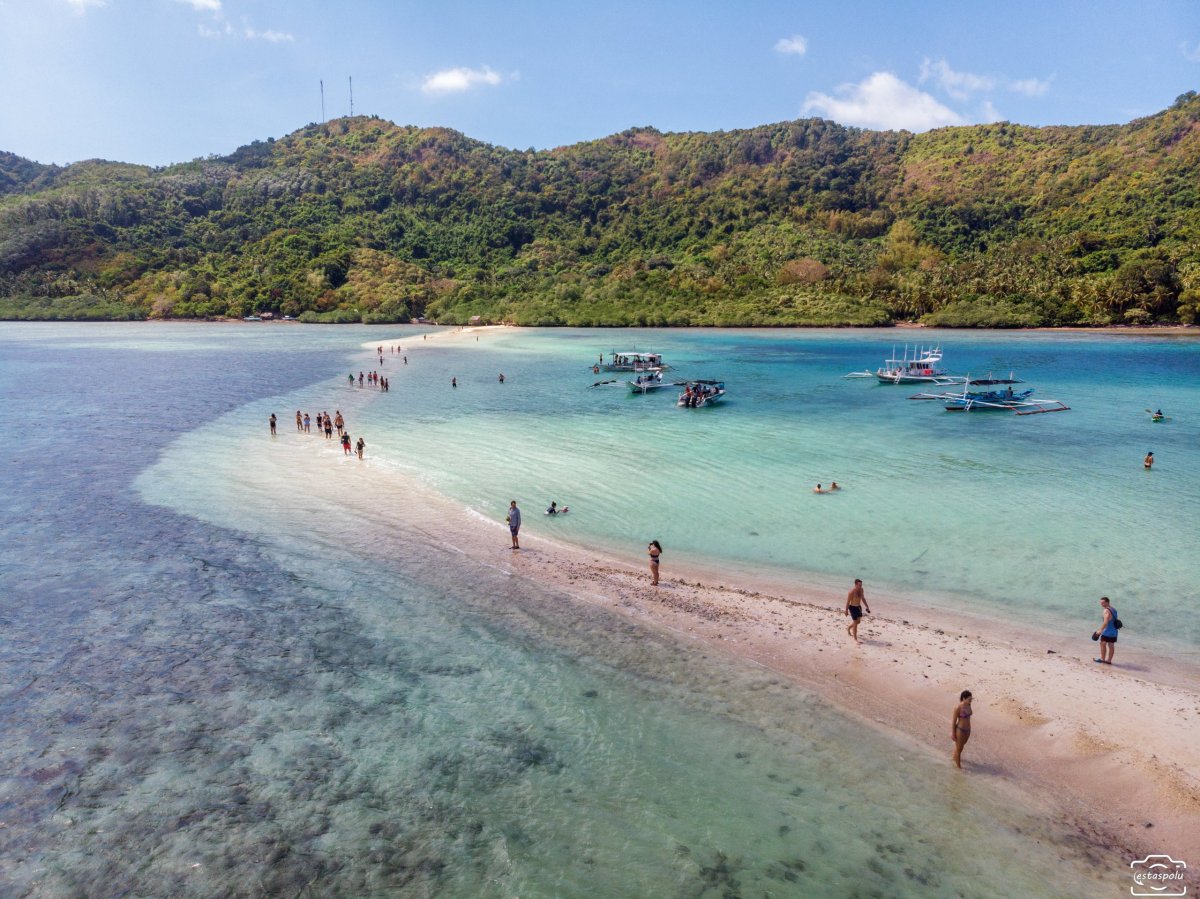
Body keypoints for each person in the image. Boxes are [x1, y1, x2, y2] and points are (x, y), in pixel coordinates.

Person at [951, 690, 973, 769]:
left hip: (968, 730)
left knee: (961, 746)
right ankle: (958, 768)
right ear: (964, 698)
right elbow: (953, 722)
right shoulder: (957, 708)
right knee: (959, 749)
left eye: (971, 699)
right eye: (969, 699)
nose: (971, 701)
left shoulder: (969, 705)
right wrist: (953, 734)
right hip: (960, 730)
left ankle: (954, 758)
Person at [1094, 596, 1118, 664]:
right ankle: (1109, 661)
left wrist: (1100, 630)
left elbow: (1105, 622)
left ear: (1107, 602)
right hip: (1114, 631)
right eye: (1101, 603)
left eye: (1103, 603)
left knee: (1102, 643)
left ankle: (1102, 659)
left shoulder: (1106, 610)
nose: (1101, 604)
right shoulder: (1114, 609)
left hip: (1107, 631)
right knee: (1111, 645)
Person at [845, 578, 870, 643]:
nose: (860, 586)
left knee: (858, 622)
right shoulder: (851, 592)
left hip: (858, 607)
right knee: (855, 623)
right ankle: (855, 639)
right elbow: (848, 602)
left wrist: (867, 606)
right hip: (852, 608)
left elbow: (863, 598)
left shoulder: (861, 590)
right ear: (855, 585)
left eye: (861, 585)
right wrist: (846, 611)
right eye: (859, 585)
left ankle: (849, 628)